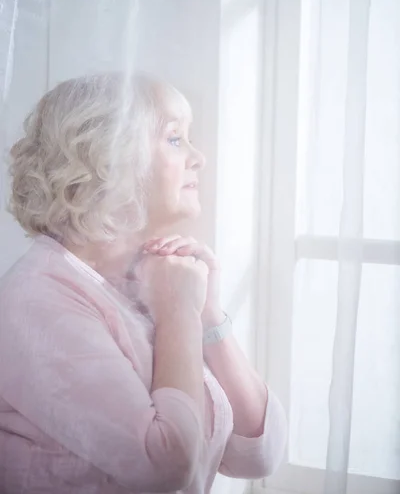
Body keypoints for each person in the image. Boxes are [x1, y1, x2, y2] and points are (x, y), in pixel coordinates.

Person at [0, 72, 287, 493]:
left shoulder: (146, 281)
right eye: (175, 138)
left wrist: (206, 313)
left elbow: (259, 453)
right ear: (108, 158)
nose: (198, 157)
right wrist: (178, 313)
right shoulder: (38, 300)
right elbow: (165, 468)